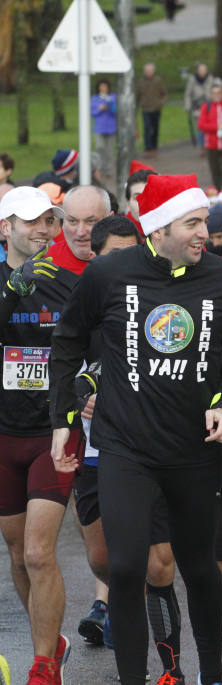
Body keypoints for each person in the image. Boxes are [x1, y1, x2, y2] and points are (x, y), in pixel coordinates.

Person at [48, 174, 222, 685]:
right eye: (193, 223)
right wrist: (62, 420)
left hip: (195, 450)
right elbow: (68, 339)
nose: (206, 232)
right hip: (125, 448)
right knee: (125, 569)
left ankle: (211, 675)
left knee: (201, 568)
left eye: (205, 221)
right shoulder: (110, 274)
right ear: (159, 227)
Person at [0, 187, 75, 685]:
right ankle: (51, 639)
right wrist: (13, 289)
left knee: (36, 551)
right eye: (31, 222)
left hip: (55, 433)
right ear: (5, 228)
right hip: (4, 435)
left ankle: (45, 664)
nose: (43, 231)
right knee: (15, 552)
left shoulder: (68, 284)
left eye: (49, 221)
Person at [48, 185, 114, 275]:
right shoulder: (47, 261)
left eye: (91, 221)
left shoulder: (132, 258)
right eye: (72, 221)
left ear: (110, 220)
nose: (81, 232)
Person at [137, 63, 167, 156]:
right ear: (144, 71)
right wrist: (137, 106)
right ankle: (147, 148)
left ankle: (154, 147)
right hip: (145, 109)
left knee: (155, 129)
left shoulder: (158, 80)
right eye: (147, 71)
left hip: (156, 109)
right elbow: (137, 95)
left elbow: (164, 93)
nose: (149, 72)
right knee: (147, 128)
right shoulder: (140, 81)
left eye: (150, 70)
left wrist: (161, 103)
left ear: (153, 71)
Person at [184, 64, 217, 147]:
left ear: (206, 71)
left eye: (204, 70)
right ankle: (203, 146)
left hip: (210, 107)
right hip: (197, 108)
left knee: (209, 127)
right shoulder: (192, 80)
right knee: (200, 128)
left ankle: (208, 144)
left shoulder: (211, 79)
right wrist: (188, 106)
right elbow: (188, 94)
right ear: (197, 71)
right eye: (200, 70)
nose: (202, 72)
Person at [90, 79, 117, 178]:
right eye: (101, 86)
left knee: (109, 150)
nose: (103, 88)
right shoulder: (95, 98)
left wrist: (109, 106)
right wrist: (100, 109)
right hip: (99, 128)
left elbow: (116, 111)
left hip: (111, 128)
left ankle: (109, 170)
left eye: (105, 86)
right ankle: (99, 169)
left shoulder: (113, 97)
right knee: (99, 148)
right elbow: (92, 112)